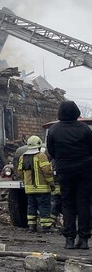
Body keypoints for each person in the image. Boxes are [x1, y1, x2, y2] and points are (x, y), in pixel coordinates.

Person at [46, 100, 92, 250]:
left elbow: (51, 151)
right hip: (85, 170)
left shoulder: (53, 130)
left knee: (67, 204)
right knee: (84, 203)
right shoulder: (85, 129)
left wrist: (62, 160)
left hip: (64, 170)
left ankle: (69, 240)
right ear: (76, 112)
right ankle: (84, 239)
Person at [17, 135, 54, 233]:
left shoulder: (22, 157)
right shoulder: (41, 156)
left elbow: (20, 172)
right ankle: (46, 227)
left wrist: (26, 182)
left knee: (31, 206)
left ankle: (32, 226)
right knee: (44, 206)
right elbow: (47, 171)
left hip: (29, 189)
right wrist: (52, 183)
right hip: (42, 188)